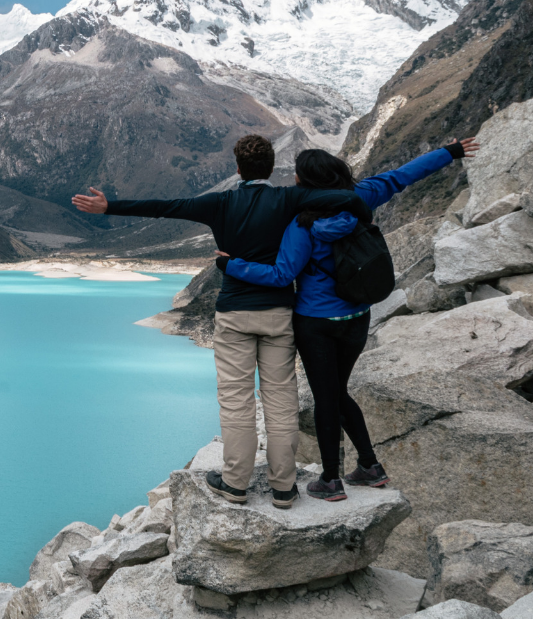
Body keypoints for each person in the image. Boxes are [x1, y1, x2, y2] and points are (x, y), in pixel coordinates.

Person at [72, 134, 375, 510]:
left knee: (236, 400)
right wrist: (357, 207)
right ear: (271, 168)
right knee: (280, 399)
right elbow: (347, 198)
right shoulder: (288, 198)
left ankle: (235, 484)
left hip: (233, 313)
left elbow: (167, 208)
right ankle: (284, 488)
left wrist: (109, 208)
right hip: (279, 314)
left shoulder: (220, 204)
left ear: (237, 169)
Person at [216, 138, 478, 502]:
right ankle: (369, 466)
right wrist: (450, 152)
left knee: (327, 398)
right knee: (338, 392)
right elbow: (404, 176)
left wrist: (231, 265)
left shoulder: (300, 223)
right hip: (357, 316)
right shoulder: (361, 198)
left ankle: (330, 479)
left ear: (305, 183)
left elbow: (280, 275)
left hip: (315, 323)